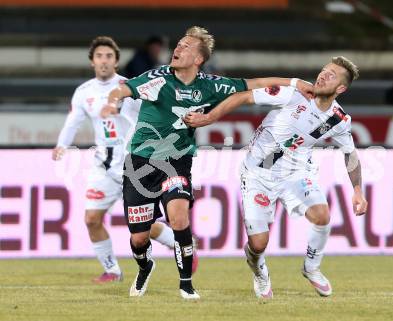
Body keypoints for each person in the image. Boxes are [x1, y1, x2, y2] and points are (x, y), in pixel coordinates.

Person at [101, 26, 314, 299]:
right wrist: (112, 104)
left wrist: (295, 83)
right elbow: (123, 89)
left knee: (179, 217)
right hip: (140, 161)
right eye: (178, 44)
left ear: (199, 59)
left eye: (185, 46)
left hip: (178, 160)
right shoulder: (157, 78)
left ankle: (186, 285)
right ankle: (145, 266)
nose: (177, 49)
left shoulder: (211, 86)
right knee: (139, 238)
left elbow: (255, 83)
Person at [184, 56, 368, 298]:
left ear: (341, 88)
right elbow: (245, 96)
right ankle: (259, 271)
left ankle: (312, 268)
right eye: (324, 70)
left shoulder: (338, 119)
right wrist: (208, 118)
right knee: (258, 243)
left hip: (296, 173)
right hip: (258, 172)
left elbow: (350, 154)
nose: (323, 75)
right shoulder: (294, 95)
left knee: (322, 215)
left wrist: (357, 191)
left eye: (331, 75)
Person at [52, 36, 188, 284]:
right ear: (92, 62)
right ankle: (112, 270)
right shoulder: (84, 92)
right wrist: (62, 144)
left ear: (116, 61)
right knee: (91, 219)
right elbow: (73, 121)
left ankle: (179, 244)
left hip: (132, 164)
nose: (104, 61)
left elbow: (151, 113)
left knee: (141, 224)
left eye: (108, 56)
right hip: (103, 166)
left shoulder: (131, 87)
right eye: (99, 56)